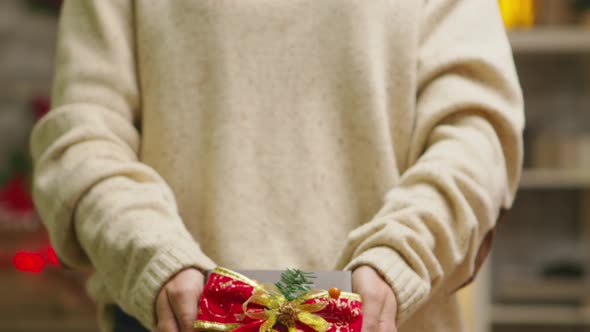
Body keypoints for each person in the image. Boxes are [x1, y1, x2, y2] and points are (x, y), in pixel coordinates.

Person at [30, 1, 524, 331]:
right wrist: (154, 259)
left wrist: (401, 257)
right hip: (172, 315)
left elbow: (476, 131)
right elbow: (83, 135)